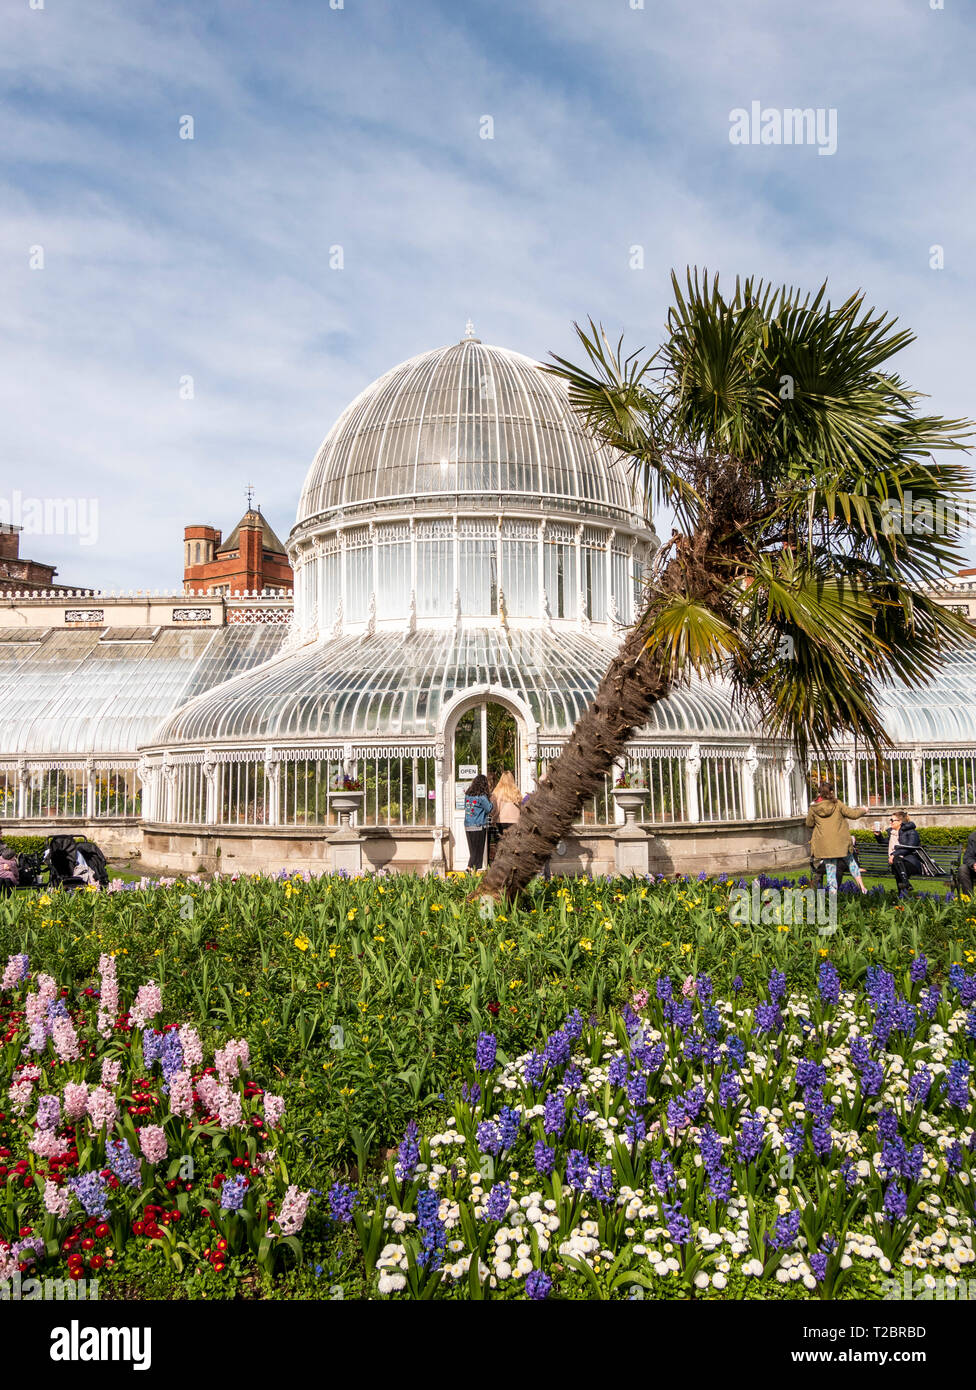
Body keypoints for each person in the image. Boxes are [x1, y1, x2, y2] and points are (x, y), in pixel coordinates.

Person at [805, 782, 868, 894]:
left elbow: (809, 824)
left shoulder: (813, 808)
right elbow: (853, 814)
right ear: (831, 791)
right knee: (851, 863)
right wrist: (863, 810)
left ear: (819, 792)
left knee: (830, 869)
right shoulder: (837, 804)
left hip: (825, 845)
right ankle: (862, 888)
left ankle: (833, 895)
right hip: (841, 843)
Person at [874, 810, 922, 897]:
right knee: (896, 863)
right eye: (890, 820)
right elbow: (884, 842)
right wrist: (878, 835)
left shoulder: (911, 832)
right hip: (898, 864)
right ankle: (904, 892)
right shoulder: (893, 833)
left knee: (896, 860)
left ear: (900, 822)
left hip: (911, 863)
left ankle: (904, 889)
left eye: (892, 820)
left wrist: (894, 854)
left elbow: (910, 847)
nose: (890, 822)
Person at [463, 773, 493, 871]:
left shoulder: (468, 795)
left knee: (473, 851)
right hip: (478, 826)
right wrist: (492, 801)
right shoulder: (482, 796)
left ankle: (473, 873)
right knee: (477, 852)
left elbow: (466, 807)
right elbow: (489, 809)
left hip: (468, 825)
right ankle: (468, 869)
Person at [960, 829, 976, 896]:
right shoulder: (973, 837)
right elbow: (967, 857)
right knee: (963, 869)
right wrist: (973, 864)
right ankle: (968, 900)